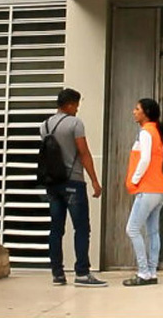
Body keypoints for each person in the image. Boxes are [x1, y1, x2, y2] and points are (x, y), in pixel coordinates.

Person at [41, 88, 105, 287]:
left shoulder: (44, 125)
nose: (77, 109)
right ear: (69, 104)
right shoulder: (75, 123)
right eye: (76, 105)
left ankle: (57, 274)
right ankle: (82, 273)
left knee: (56, 229)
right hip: (73, 181)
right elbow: (83, 152)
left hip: (53, 183)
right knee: (82, 228)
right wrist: (94, 180)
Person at [123, 97, 163, 286]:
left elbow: (145, 159)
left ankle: (143, 272)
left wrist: (134, 180)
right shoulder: (156, 132)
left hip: (148, 188)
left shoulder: (146, 132)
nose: (134, 112)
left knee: (132, 229)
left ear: (146, 113)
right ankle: (151, 271)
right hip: (160, 190)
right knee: (153, 231)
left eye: (137, 109)